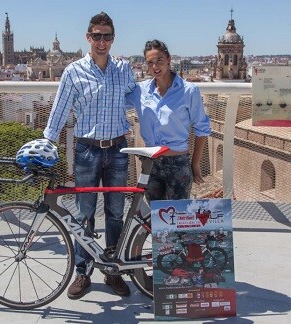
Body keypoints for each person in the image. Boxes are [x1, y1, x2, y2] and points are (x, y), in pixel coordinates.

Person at [43, 12, 136, 300]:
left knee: (115, 214)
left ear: (113, 38)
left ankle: (113, 272)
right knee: (84, 214)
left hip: (119, 149)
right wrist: (47, 143)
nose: (102, 41)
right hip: (86, 150)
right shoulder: (73, 71)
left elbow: (140, 99)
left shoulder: (124, 69)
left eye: (107, 36)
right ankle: (83, 273)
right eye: (97, 35)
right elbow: (59, 111)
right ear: (88, 37)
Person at [127, 39, 211, 202]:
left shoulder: (189, 91)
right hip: (150, 164)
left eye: (159, 60)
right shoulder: (140, 90)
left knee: (178, 219)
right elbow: (114, 102)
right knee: (153, 219)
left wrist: (195, 164)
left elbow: (202, 128)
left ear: (168, 60)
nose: (155, 67)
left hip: (178, 163)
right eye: (150, 63)